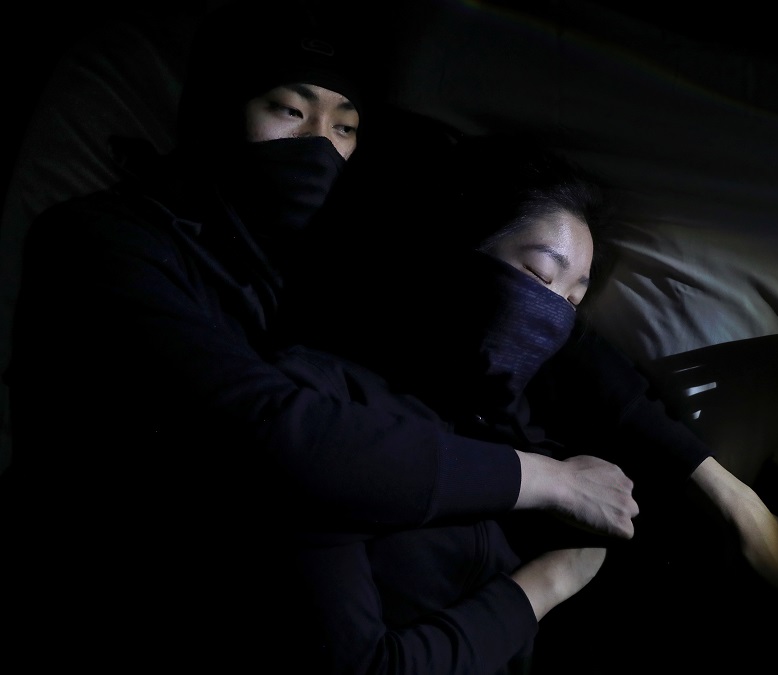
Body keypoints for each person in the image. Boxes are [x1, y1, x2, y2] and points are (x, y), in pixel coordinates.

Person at [0, 4, 638, 672]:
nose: (318, 146)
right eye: (289, 109)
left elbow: (528, 300)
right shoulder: (100, 241)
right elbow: (273, 433)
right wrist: (546, 484)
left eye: (345, 126)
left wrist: (696, 467)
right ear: (220, 108)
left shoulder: (322, 257)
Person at [286, 132, 778, 671]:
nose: (553, 317)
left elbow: (733, 622)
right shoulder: (324, 405)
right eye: (540, 277)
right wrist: (547, 583)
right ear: (455, 250)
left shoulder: (553, 434)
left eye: (574, 301)